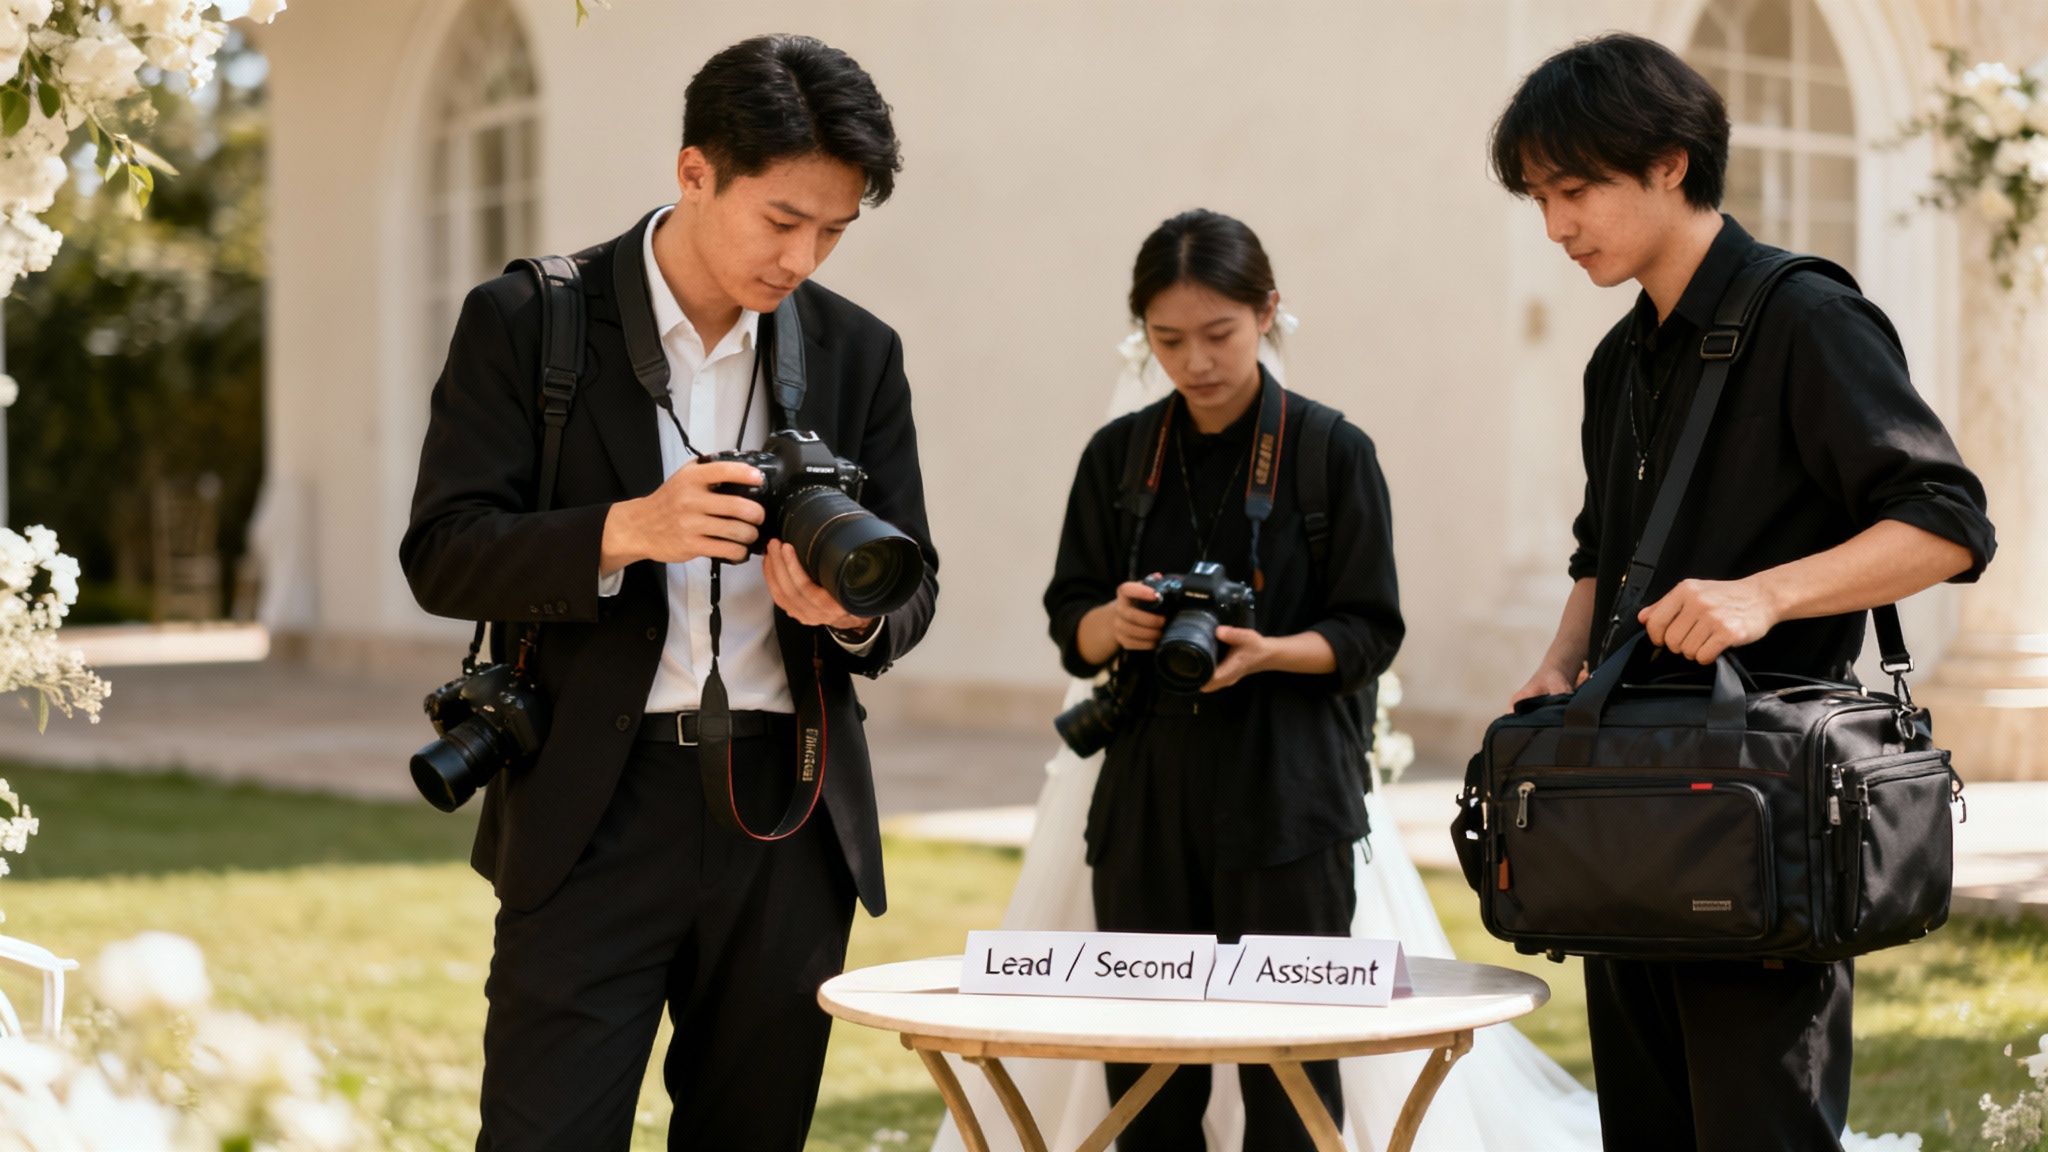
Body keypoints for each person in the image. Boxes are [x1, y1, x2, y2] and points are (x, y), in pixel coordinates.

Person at [399, 34, 938, 1150]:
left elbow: (910, 581)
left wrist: (850, 614)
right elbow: (443, 553)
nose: (802, 257)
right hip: (591, 805)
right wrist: (628, 529)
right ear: (694, 172)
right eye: (782, 220)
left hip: (786, 810)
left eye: (832, 231)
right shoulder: (527, 320)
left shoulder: (857, 352)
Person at [1491, 33, 1995, 1152]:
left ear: (1669, 162)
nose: (1555, 227)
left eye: (1573, 190)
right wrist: (1557, 664)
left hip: (1763, 808)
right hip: (1624, 805)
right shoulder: (1615, 363)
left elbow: (1947, 524)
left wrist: (1761, 596)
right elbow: (1599, 549)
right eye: (1538, 198)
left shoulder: (1807, 319)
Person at [1040, 209, 1404, 1152]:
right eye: (1168, 340)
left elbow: (1371, 630)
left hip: (1290, 796)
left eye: (1219, 335)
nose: (1195, 362)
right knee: (1149, 1072)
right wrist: (1112, 625)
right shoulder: (1119, 457)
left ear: (1268, 312)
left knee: (1290, 1070)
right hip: (1146, 795)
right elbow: (1068, 619)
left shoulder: (1331, 454)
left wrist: (1268, 650)